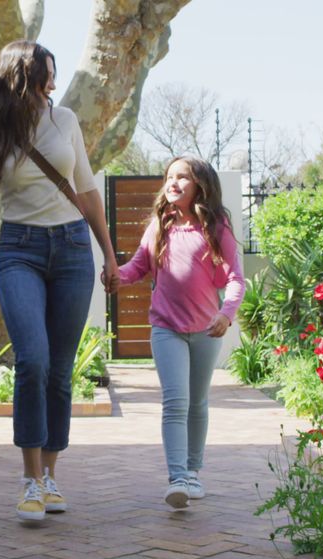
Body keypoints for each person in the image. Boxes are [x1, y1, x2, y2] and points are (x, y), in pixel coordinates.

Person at [0, 40, 119, 522]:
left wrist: (110, 257)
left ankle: (51, 476)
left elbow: (89, 193)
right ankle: (30, 481)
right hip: (19, 252)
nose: (53, 86)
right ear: (20, 80)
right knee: (31, 360)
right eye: (44, 77)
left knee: (59, 368)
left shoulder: (65, 121)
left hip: (72, 249)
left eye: (53, 76)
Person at [117, 156, 245, 509]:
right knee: (175, 401)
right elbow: (138, 266)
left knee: (197, 402)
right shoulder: (160, 225)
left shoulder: (216, 228)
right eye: (169, 177)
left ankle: (193, 472)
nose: (173, 183)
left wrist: (226, 314)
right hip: (166, 328)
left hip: (206, 330)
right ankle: (177, 478)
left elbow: (236, 278)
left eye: (182, 177)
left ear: (200, 185)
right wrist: (116, 275)